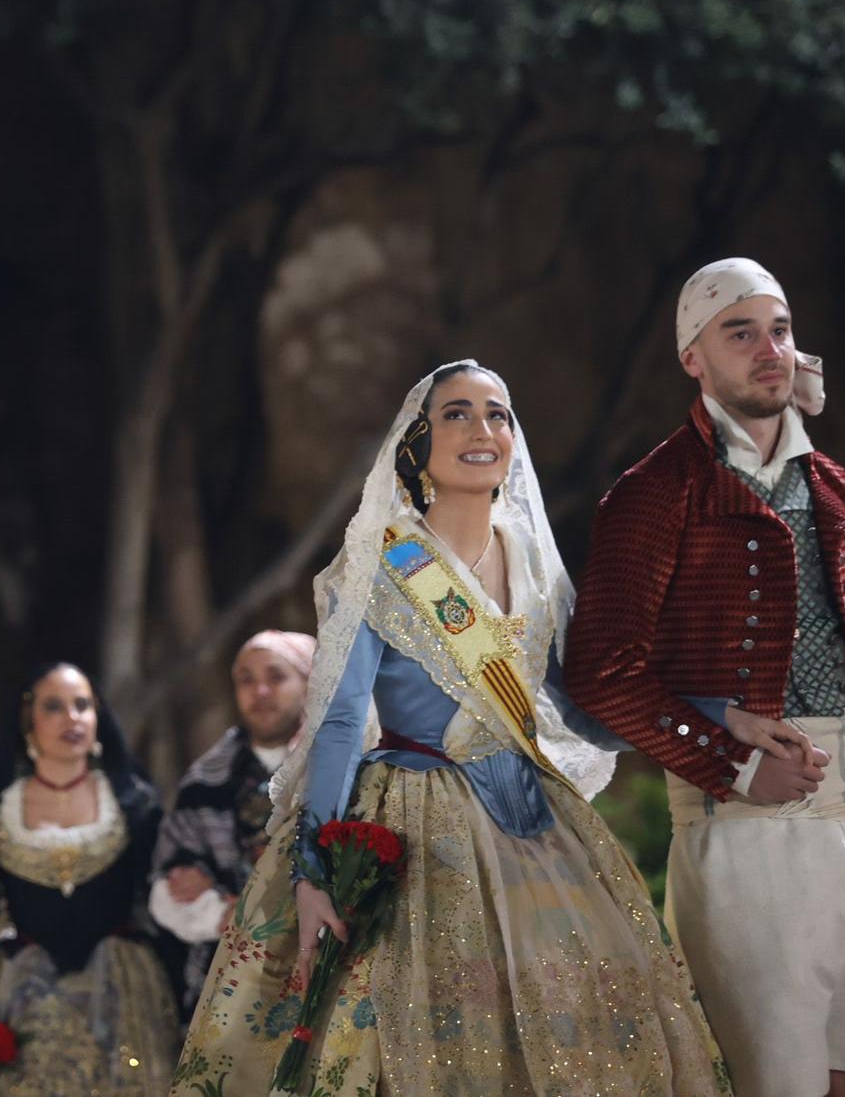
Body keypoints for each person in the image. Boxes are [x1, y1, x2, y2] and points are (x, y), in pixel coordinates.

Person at [174, 361, 729, 1096]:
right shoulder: (388, 562)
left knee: (585, 1012)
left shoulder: (534, 563)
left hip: (534, 820)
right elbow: (340, 720)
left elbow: (579, 708)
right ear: (418, 442)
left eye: (497, 414)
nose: (482, 429)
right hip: (413, 818)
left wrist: (714, 715)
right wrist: (314, 873)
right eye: (458, 413)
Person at [566, 258, 845, 1097]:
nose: (768, 348)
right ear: (693, 357)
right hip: (746, 826)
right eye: (739, 332)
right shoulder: (655, 492)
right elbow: (602, 669)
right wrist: (729, 756)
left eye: (779, 329)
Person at [0, 662, 176, 1097]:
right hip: (27, 994)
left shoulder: (135, 804)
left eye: (82, 705)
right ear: (28, 723)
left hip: (126, 992)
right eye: (55, 707)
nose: (72, 718)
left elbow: (163, 905)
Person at [148, 630, 313, 1016]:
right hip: (230, 982)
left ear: (310, 682)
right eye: (247, 680)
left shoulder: (340, 773)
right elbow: (169, 889)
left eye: (276, 677)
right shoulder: (206, 782)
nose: (260, 692)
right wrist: (227, 914)